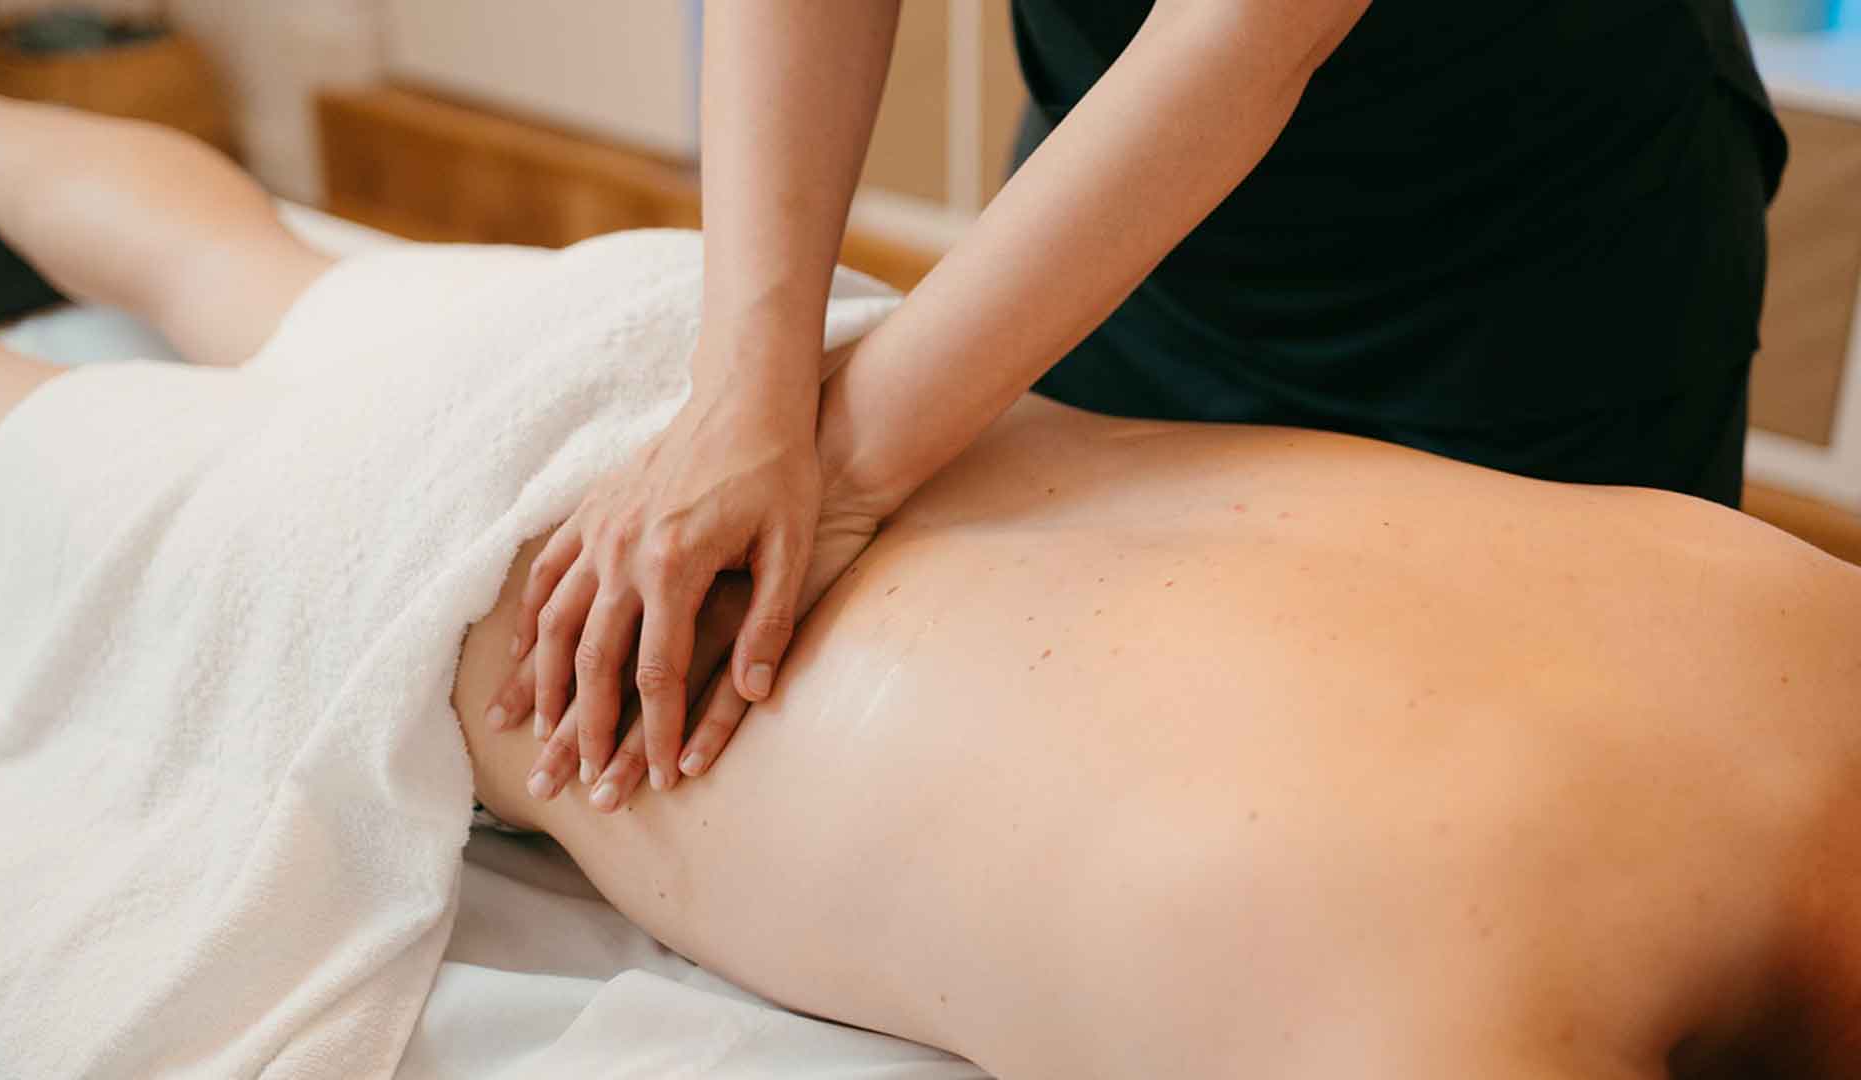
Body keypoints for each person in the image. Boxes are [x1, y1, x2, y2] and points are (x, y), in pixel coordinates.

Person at [0, 87, 1858, 1079]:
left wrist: (777, 406)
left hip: (729, 382)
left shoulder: (1804, 620)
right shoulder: (1472, 1023)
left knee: (264, 272)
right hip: (513, 582)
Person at [509, 0, 1794, 804]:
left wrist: (839, 468)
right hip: (1117, 235)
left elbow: (1245, 29)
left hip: (1525, 266)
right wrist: (746, 387)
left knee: (1548, 799)